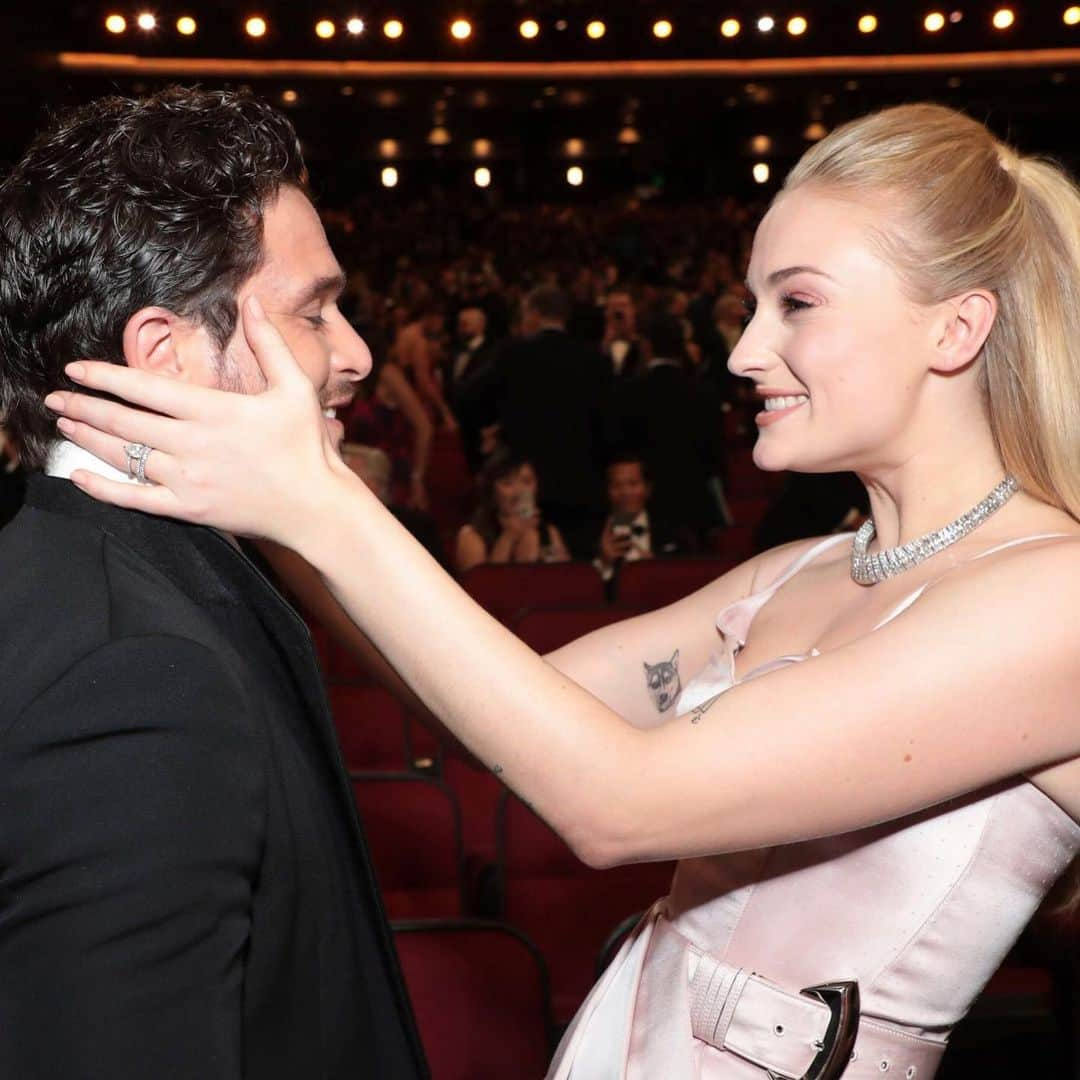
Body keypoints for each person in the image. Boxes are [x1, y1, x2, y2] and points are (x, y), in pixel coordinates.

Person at [48, 102, 1080, 1080]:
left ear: (957, 329)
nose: (743, 350)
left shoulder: (1052, 600)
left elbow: (618, 803)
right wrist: (256, 501)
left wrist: (320, 505)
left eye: (797, 304)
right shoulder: (797, 572)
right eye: (752, 303)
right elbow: (504, 707)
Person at [0, 88, 426, 1078]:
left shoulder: (68, 566)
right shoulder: (139, 674)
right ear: (165, 357)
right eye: (315, 311)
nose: (357, 352)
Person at [479, 284, 612, 558]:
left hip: (524, 483)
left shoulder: (512, 355)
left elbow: (469, 398)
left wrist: (491, 441)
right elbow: (609, 428)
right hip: (583, 486)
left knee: (532, 579)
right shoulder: (595, 360)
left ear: (534, 314)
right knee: (579, 576)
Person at [455, 448, 570, 574]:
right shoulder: (473, 536)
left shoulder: (549, 533)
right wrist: (508, 537)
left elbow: (563, 580)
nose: (519, 492)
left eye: (526, 482)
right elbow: (481, 586)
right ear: (492, 491)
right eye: (507, 483)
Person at [595, 454, 692, 585]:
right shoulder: (591, 533)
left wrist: (655, 568)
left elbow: (688, 578)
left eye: (632, 484)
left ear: (647, 489)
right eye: (616, 485)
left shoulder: (674, 530)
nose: (625, 492)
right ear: (607, 491)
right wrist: (604, 563)